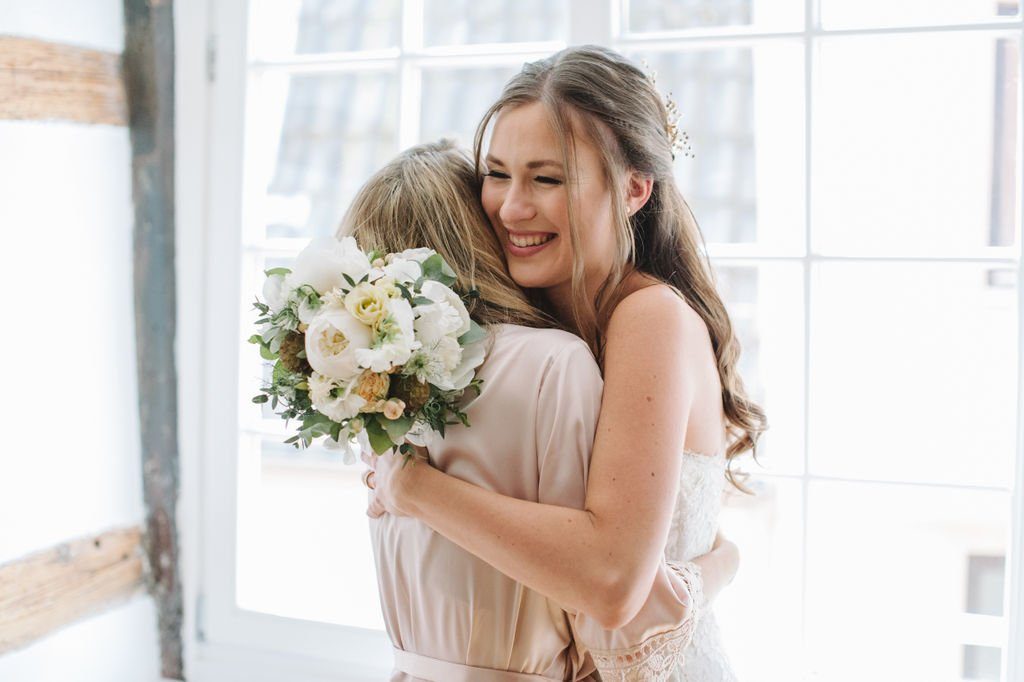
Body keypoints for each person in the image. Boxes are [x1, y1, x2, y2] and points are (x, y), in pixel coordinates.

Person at [366, 45, 767, 680]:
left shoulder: (650, 316)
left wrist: (413, 487)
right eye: (496, 174)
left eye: (547, 179)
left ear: (634, 189)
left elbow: (611, 581)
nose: (511, 207)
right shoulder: (517, 331)